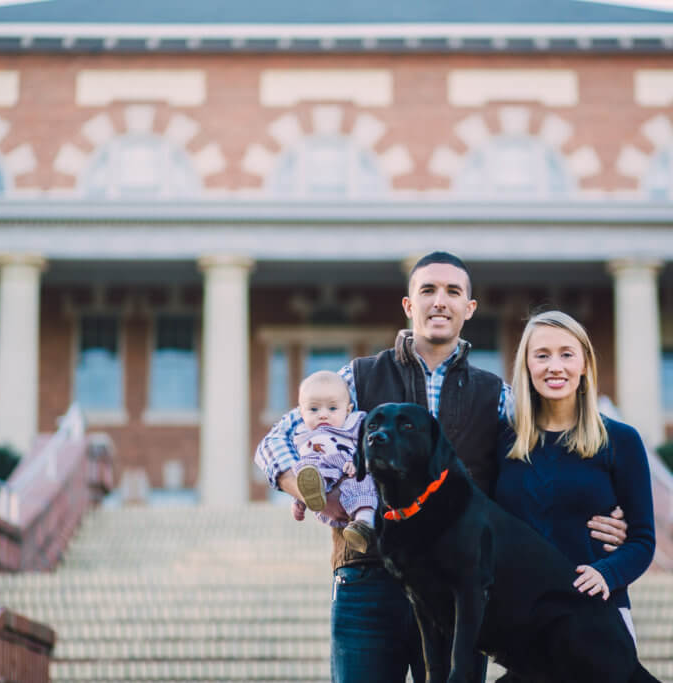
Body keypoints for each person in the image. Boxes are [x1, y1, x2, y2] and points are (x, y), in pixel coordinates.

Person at [255, 252, 630, 683]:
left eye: (453, 292)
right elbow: (276, 441)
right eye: (427, 290)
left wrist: (607, 516)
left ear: (469, 308)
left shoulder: (496, 395)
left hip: (455, 595)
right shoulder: (358, 378)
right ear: (408, 305)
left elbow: (552, 466)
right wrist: (313, 491)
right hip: (367, 582)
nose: (440, 301)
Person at [494, 310, 656, 646]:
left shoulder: (621, 441)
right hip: (526, 621)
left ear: (584, 364)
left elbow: (642, 540)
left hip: (598, 616)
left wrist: (606, 573)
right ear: (526, 365)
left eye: (567, 354)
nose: (555, 366)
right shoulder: (502, 442)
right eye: (542, 355)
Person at [289, 370, 377, 553]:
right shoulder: (302, 436)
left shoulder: (354, 424)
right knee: (307, 470)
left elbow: (367, 447)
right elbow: (302, 476)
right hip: (324, 486)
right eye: (313, 409)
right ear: (301, 412)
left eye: (332, 409)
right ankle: (313, 493)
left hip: (349, 471)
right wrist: (298, 500)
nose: (323, 415)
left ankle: (363, 524)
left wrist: (359, 461)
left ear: (348, 410)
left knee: (363, 482)